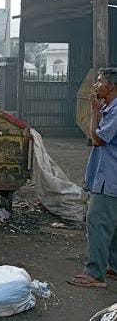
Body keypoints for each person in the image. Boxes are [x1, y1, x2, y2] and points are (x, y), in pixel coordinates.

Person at [68, 67, 117, 288]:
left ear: (111, 86)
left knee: (97, 221)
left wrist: (94, 111)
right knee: (112, 225)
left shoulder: (114, 111)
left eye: (99, 82)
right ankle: (113, 267)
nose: (95, 85)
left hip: (109, 178)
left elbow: (97, 140)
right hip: (108, 175)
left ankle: (95, 273)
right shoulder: (110, 107)